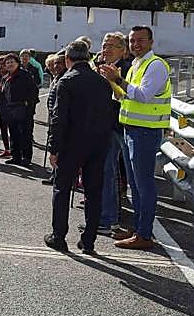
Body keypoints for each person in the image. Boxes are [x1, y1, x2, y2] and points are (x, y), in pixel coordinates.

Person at [99, 25, 171, 251]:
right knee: (136, 185)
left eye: (140, 40)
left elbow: (143, 96)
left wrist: (118, 80)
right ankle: (140, 228)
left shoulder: (156, 65)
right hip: (131, 129)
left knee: (144, 184)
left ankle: (144, 234)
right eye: (132, 41)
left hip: (145, 132)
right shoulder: (136, 66)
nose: (136, 45)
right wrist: (112, 80)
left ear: (151, 42)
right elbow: (123, 97)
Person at [45, 41, 112, 255]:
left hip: (71, 143)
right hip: (98, 143)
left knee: (62, 189)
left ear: (68, 59)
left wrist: (54, 149)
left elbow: (58, 118)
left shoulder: (66, 81)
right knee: (94, 191)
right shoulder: (102, 82)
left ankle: (59, 236)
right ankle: (89, 240)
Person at [96, 32, 134, 236]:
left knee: (128, 175)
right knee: (106, 172)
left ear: (123, 49)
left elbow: (128, 96)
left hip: (126, 126)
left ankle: (135, 225)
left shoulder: (128, 68)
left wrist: (113, 79)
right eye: (104, 44)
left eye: (111, 45)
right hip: (108, 126)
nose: (106, 49)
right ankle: (107, 218)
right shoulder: (101, 68)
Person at [0, 55, 38, 167]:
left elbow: (33, 91)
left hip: (24, 110)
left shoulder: (24, 75)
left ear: (17, 63)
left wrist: (28, 105)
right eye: (7, 62)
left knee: (25, 134)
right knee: (13, 134)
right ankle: (15, 156)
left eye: (12, 62)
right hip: (10, 110)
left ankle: (26, 157)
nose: (10, 64)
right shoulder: (5, 77)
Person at [40, 53, 66, 185]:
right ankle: (55, 174)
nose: (54, 67)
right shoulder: (56, 78)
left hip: (58, 118)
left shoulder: (64, 79)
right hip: (53, 116)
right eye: (52, 64)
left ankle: (57, 176)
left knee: (58, 147)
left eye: (58, 64)